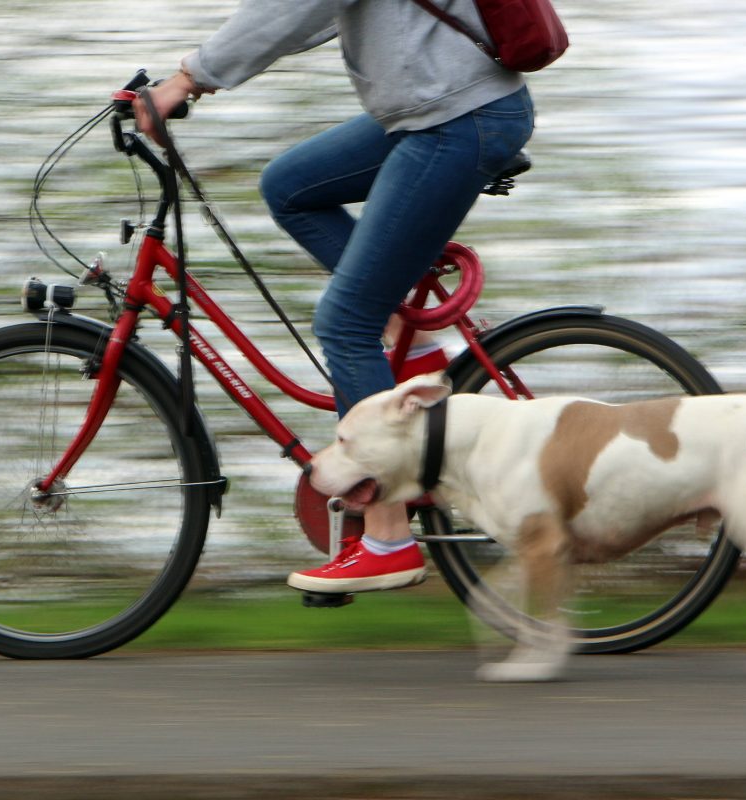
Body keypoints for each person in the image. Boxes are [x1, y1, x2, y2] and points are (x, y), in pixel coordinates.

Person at [136, 0, 535, 595]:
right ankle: (415, 345)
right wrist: (219, 71)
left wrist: (192, 76)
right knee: (291, 186)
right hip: (438, 104)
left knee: (347, 322)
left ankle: (387, 535)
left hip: (456, 115)